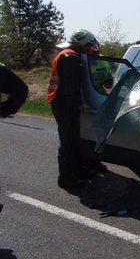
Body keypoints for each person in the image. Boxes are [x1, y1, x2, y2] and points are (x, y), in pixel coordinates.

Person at [48, 29, 105, 189]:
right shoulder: (70, 58)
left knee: (75, 137)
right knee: (68, 139)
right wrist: (80, 105)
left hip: (65, 102)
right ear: (81, 44)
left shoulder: (71, 55)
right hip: (63, 103)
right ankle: (65, 178)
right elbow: (71, 88)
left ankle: (77, 170)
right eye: (88, 46)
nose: (89, 50)